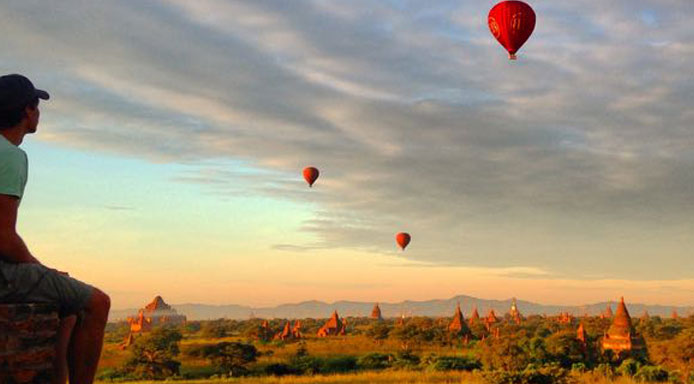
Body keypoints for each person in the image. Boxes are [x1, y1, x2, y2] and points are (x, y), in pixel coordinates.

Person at [0, 74, 110, 384]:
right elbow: (4, 238)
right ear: (27, 111)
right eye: (36, 106)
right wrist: (42, 269)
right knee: (98, 303)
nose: (38, 113)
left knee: (69, 309)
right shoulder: (10, 156)